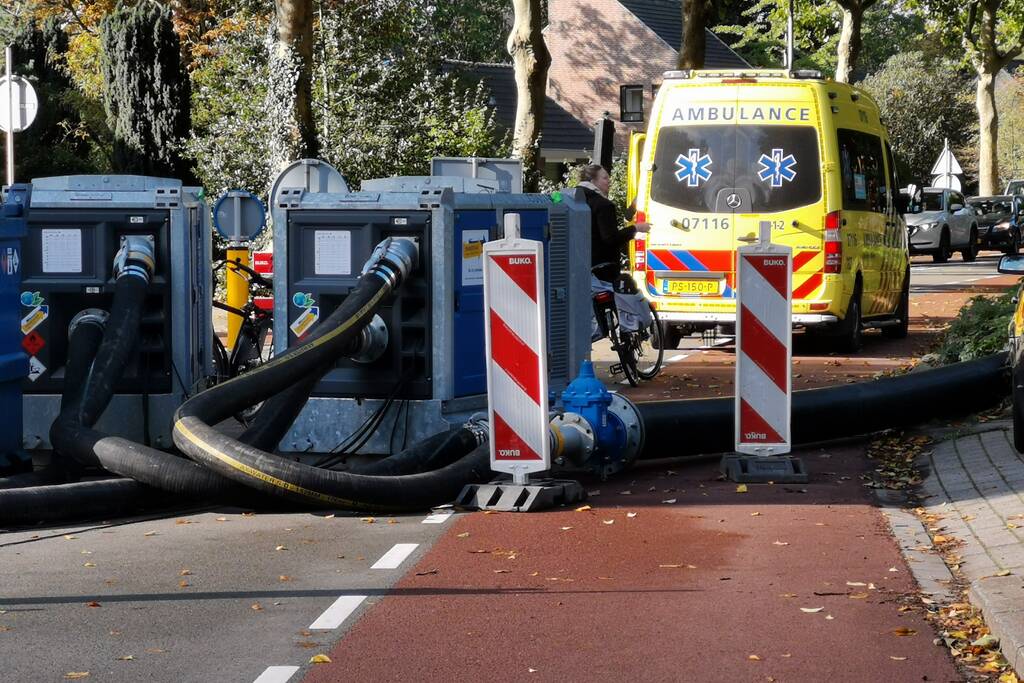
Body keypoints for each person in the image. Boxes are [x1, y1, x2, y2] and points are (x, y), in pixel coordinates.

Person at [577, 164, 650, 283]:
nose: (609, 181)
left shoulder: (572, 200)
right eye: (605, 178)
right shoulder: (603, 205)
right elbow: (611, 239)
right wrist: (636, 228)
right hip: (601, 271)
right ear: (593, 181)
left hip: (576, 267)